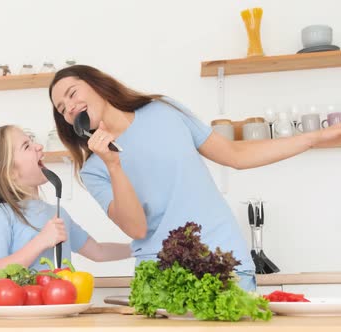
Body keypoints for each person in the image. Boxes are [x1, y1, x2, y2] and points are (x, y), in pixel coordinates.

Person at [48, 65, 341, 292]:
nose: (69, 107)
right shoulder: (95, 169)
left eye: (72, 94)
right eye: (62, 109)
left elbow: (235, 155)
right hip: (161, 275)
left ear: (96, 83)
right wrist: (114, 164)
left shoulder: (163, 110)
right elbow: (136, 228)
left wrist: (315, 137)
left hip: (225, 260)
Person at [0, 125, 132, 288]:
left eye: (32, 142)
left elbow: (98, 251)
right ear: (9, 172)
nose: (39, 146)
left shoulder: (58, 214)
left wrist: (139, 248)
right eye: (26, 146)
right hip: (20, 315)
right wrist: (41, 241)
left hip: (60, 309)